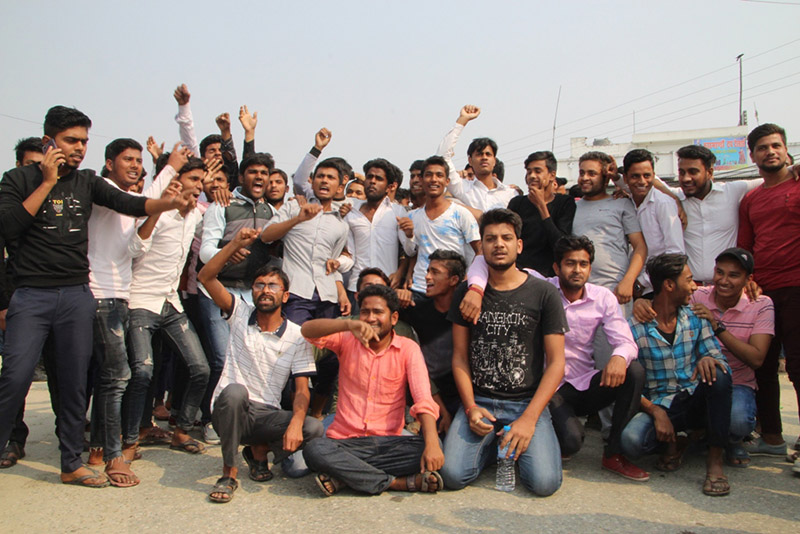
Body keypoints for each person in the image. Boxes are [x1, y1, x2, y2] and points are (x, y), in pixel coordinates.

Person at [0, 105, 184, 487]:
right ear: (49, 141)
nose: (79, 148)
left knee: (72, 385)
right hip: (31, 296)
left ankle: (72, 463)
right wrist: (48, 182)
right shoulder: (17, 179)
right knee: (15, 377)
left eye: (84, 141)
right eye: (71, 140)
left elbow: (129, 203)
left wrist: (167, 203)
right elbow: (9, 227)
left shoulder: (87, 182)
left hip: (76, 295)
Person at [86, 139, 190, 486]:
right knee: (117, 377)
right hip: (99, 294)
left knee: (114, 377)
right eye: (127, 159)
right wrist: (171, 169)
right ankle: (109, 451)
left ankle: (101, 447)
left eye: (138, 160)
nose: (134, 165)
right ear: (109, 162)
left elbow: (138, 231)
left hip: (122, 297)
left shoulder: (135, 203)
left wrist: (170, 178)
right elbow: (136, 203)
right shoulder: (102, 189)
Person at [441, 209, 567, 496]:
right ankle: (496, 446)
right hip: (481, 400)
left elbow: (557, 362)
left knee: (544, 484)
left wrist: (529, 418)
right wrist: (471, 407)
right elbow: (459, 356)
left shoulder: (544, 293)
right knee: (452, 475)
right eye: (490, 239)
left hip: (525, 402)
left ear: (518, 245)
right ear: (481, 247)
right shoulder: (466, 293)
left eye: (506, 238)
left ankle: (513, 441)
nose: (499, 244)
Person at [197, 228, 323, 503]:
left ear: (286, 296)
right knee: (234, 392)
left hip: (265, 414)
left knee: (312, 428)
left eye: (273, 286)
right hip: (229, 409)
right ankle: (229, 472)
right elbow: (205, 276)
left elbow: (301, 391)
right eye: (259, 285)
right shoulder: (239, 313)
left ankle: (259, 450)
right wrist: (234, 245)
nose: (265, 290)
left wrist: (296, 422)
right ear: (252, 292)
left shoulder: (297, 335)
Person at [633, 247, 774, 467]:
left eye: (734, 275)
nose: (723, 280)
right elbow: (664, 297)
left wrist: (716, 330)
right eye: (720, 272)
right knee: (632, 442)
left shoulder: (760, 304)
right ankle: (690, 437)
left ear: (748, 280)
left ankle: (725, 444)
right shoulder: (698, 297)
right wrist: (640, 302)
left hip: (729, 384)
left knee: (735, 416)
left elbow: (755, 359)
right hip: (673, 396)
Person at [301, 284, 444, 496]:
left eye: (378, 312)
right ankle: (395, 483)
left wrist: (432, 444)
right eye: (365, 312)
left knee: (430, 448)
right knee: (314, 450)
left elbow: (423, 397)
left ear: (394, 318)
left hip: (388, 442)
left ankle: (345, 476)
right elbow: (307, 331)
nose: (370, 318)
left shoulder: (407, 348)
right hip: (345, 441)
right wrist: (348, 324)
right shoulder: (347, 339)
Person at [621, 253, 732, 496]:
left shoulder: (696, 318)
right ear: (669, 285)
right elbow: (627, 384)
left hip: (694, 398)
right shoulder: (634, 328)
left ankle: (714, 461)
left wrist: (708, 358)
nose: (695, 286)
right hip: (662, 403)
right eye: (689, 280)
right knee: (631, 441)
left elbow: (722, 362)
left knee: (719, 375)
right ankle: (681, 440)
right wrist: (656, 411)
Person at [124, 157, 211, 459]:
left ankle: (182, 431)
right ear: (177, 181)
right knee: (143, 372)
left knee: (200, 368)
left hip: (171, 302)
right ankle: (130, 439)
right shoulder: (156, 212)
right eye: (194, 179)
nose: (199, 186)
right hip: (141, 301)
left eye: (202, 181)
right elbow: (134, 249)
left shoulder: (194, 217)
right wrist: (162, 203)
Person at [197, 152, 277, 444]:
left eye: (264, 173)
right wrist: (230, 249)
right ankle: (208, 419)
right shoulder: (222, 204)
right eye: (253, 172)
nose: (259, 177)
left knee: (247, 359)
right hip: (218, 290)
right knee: (220, 359)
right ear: (242, 176)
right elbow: (206, 251)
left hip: (251, 295)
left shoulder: (271, 211)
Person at [737, 123, 800, 462]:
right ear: (753, 155)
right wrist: (748, 278)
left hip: (797, 287)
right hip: (763, 294)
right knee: (761, 367)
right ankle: (772, 437)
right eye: (763, 148)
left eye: (776, 145)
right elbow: (746, 245)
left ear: (786, 149)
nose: (770, 152)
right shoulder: (751, 199)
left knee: (799, 367)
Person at [260, 158, 351, 324]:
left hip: (328, 296)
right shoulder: (293, 208)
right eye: (320, 176)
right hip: (296, 293)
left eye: (330, 178)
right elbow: (266, 236)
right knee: (294, 344)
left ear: (339, 188)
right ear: (312, 182)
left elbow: (333, 264)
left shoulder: (341, 224)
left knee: (324, 348)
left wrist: (342, 294)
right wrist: (297, 220)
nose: (324, 180)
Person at [399, 249, 467, 431]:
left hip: (466, 395)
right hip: (429, 394)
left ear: (453, 280)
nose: (427, 277)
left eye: (435, 272)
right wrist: (398, 296)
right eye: (427, 271)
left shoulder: (467, 311)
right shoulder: (417, 308)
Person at [572, 151, 647, 312]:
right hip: (579, 293)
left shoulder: (621, 203)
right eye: (581, 173)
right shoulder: (571, 208)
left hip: (615, 291)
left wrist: (628, 281)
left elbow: (640, 247)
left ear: (606, 178)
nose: (585, 178)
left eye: (592, 173)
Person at [407, 155, 480, 296]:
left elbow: (480, 250)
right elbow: (412, 253)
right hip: (420, 289)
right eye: (429, 175)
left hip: (452, 290)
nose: (434, 179)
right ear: (421, 180)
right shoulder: (412, 217)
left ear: (447, 181)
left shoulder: (461, 213)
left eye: (439, 175)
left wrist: (469, 278)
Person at [344, 158, 416, 299]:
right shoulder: (350, 211)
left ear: (389, 187)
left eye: (379, 178)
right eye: (369, 177)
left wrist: (409, 234)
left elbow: (410, 251)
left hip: (387, 286)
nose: (372, 181)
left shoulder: (398, 212)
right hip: (356, 288)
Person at [621, 149, 684, 296]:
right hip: (632, 286)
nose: (642, 181)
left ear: (654, 176)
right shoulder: (626, 203)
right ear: (625, 178)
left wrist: (642, 282)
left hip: (656, 288)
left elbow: (675, 253)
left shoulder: (663, 203)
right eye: (635, 176)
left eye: (647, 175)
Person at [436, 105, 518, 214]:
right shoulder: (462, 187)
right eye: (479, 154)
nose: (484, 157)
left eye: (488, 154)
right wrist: (462, 120)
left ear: (494, 160)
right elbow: (442, 157)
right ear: (470, 161)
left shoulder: (510, 193)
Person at [507, 150, 575, 276]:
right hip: (520, 274)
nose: (532, 176)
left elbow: (561, 245)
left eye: (538, 171)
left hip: (550, 277)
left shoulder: (565, 203)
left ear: (552, 175)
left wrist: (541, 206)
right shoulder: (517, 203)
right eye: (529, 172)